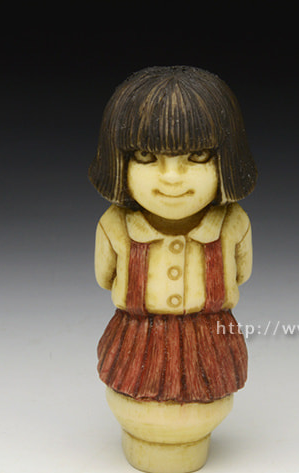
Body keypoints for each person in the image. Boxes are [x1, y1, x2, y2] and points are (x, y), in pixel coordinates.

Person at [90, 65, 257, 405]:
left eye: (197, 156)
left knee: (210, 392)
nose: (171, 178)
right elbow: (242, 274)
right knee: (131, 392)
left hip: (209, 338)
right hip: (138, 336)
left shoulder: (233, 223)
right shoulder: (115, 226)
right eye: (146, 156)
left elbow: (104, 279)